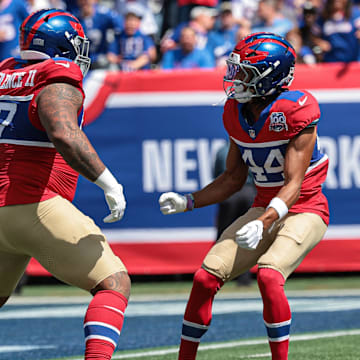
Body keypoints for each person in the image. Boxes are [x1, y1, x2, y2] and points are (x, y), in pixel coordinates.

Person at [158, 32, 329, 360]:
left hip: (305, 209)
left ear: (270, 77)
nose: (236, 78)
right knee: (205, 278)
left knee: (268, 275)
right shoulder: (235, 112)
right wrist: (188, 201)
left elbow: (294, 183)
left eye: (246, 72)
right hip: (264, 207)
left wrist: (264, 220)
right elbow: (233, 178)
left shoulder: (296, 110)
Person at [0, 9, 131, 360]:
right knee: (113, 283)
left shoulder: (6, 72)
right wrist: (108, 181)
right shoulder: (57, 76)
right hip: (33, 204)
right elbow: (63, 133)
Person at [108, 2, 156, 71]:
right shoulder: (119, 37)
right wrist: (118, 61)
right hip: (122, 71)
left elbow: (151, 55)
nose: (130, 23)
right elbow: (110, 55)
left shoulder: (144, 37)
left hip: (140, 71)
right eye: (128, 20)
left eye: (133, 20)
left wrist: (135, 64)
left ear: (139, 22)